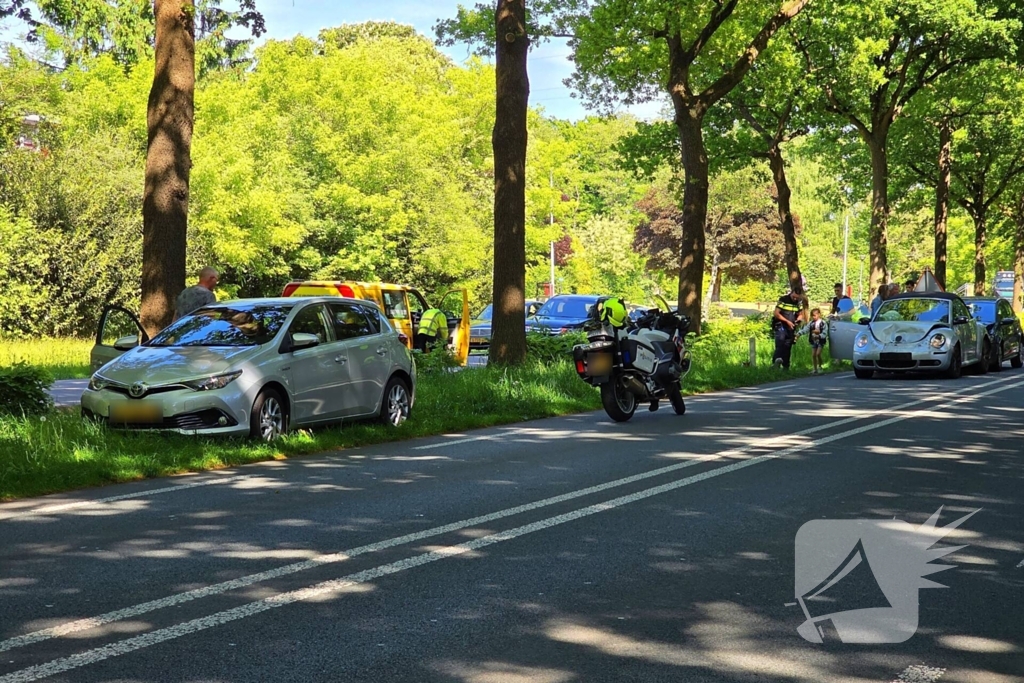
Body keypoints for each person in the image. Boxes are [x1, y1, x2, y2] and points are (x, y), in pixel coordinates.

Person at [773, 289, 804, 369]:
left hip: (791, 327)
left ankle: (786, 366)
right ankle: (775, 364)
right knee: (780, 344)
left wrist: (799, 319)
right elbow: (776, 313)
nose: (795, 299)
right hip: (781, 325)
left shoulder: (799, 302)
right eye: (794, 297)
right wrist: (787, 321)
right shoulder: (783, 299)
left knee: (788, 346)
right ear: (792, 292)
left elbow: (801, 314)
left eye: (797, 298)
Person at [797, 308, 828, 375]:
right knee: (813, 355)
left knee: (818, 354)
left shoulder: (823, 323)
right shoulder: (811, 323)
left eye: (815, 315)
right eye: (812, 316)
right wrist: (799, 333)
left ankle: (820, 366)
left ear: (819, 314)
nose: (813, 317)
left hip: (820, 341)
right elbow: (805, 329)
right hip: (813, 341)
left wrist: (819, 336)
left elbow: (825, 333)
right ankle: (815, 369)